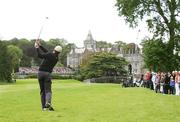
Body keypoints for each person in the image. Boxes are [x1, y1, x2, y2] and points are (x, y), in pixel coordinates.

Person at [34, 41, 62, 111]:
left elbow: (40, 55)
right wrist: (40, 46)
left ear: (54, 49)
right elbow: (47, 52)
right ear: (59, 52)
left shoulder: (50, 54)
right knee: (48, 90)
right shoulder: (56, 58)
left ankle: (44, 107)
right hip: (47, 74)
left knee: (42, 91)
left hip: (40, 73)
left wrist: (37, 48)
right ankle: (48, 103)